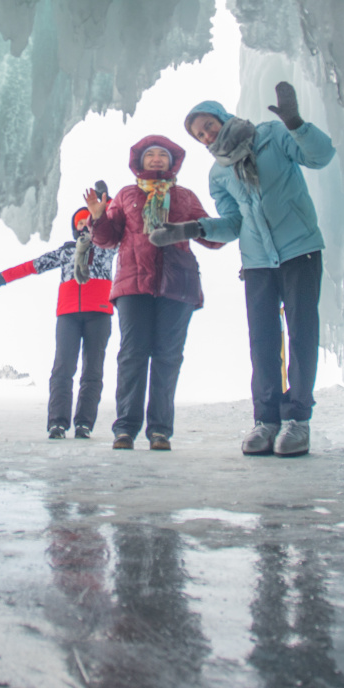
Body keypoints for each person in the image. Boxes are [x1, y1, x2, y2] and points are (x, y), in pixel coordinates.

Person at [159, 83, 334, 458]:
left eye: (208, 125)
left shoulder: (271, 136)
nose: (207, 135)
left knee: (302, 335)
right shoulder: (218, 174)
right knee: (263, 342)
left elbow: (321, 156)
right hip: (257, 264)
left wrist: (295, 123)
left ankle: (297, 419)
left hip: (300, 251)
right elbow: (234, 224)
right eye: (199, 134)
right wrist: (191, 229)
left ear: (221, 117)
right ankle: (266, 421)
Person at [85, 135, 221, 451]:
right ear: (140, 161)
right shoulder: (126, 195)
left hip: (178, 285)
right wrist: (98, 216)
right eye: (151, 154)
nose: (157, 158)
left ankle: (160, 431)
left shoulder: (185, 197)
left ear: (172, 162)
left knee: (168, 357)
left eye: (163, 154)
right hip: (133, 285)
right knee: (132, 355)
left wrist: (228, 220)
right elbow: (107, 239)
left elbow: (212, 238)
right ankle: (125, 429)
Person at [0, 191, 118, 440]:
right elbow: (32, 266)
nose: (84, 225)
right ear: (74, 228)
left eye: (88, 220)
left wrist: (106, 203)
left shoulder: (107, 248)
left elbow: (116, 222)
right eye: (80, 222)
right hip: (68, 316)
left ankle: (84, 424)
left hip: (99, 314)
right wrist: (1, 279)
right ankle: (58, 423)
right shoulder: (65, 252)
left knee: (93, 372)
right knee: (62, 370)